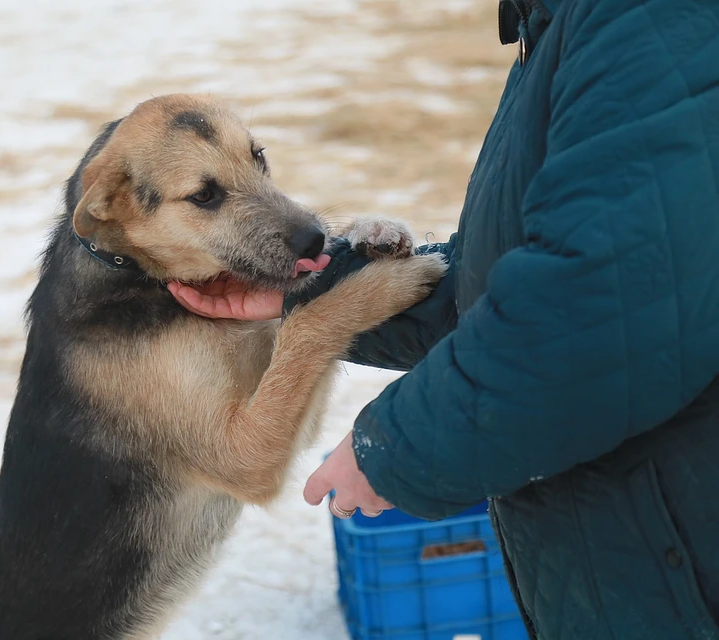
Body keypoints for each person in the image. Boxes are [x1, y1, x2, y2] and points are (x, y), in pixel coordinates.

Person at [167, 0, 719, 638]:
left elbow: (596, 310)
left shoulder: (650, 19)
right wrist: (304, 293)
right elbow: (508, 276)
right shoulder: (567, 21)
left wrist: (398, 449)